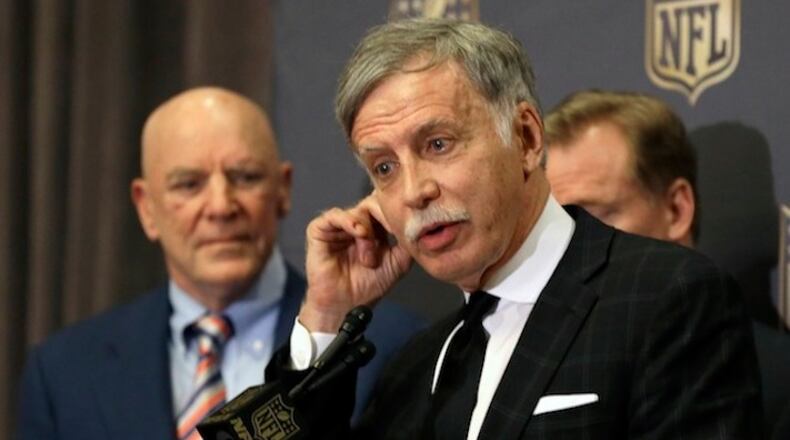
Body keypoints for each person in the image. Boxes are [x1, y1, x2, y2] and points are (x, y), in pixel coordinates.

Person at [265, 19, 762, 439]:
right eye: (384, 168)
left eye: (438, 144)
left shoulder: (667, 299)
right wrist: (327, 315)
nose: (414, 191)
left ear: (525, 137)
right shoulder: (414, 366)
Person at [16, 87, 423, 440]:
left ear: (283, 190)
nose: (221, 207)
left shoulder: (397, 347)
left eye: (245, 177)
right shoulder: (63, 371)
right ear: (146, 208)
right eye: (188, 184)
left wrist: (325, 320)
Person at [544, 89, 790, 439]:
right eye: (554, 224)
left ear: (676, 210)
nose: (567, 246)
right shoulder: (518, 369)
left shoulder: (779, 384)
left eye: (593, 218)